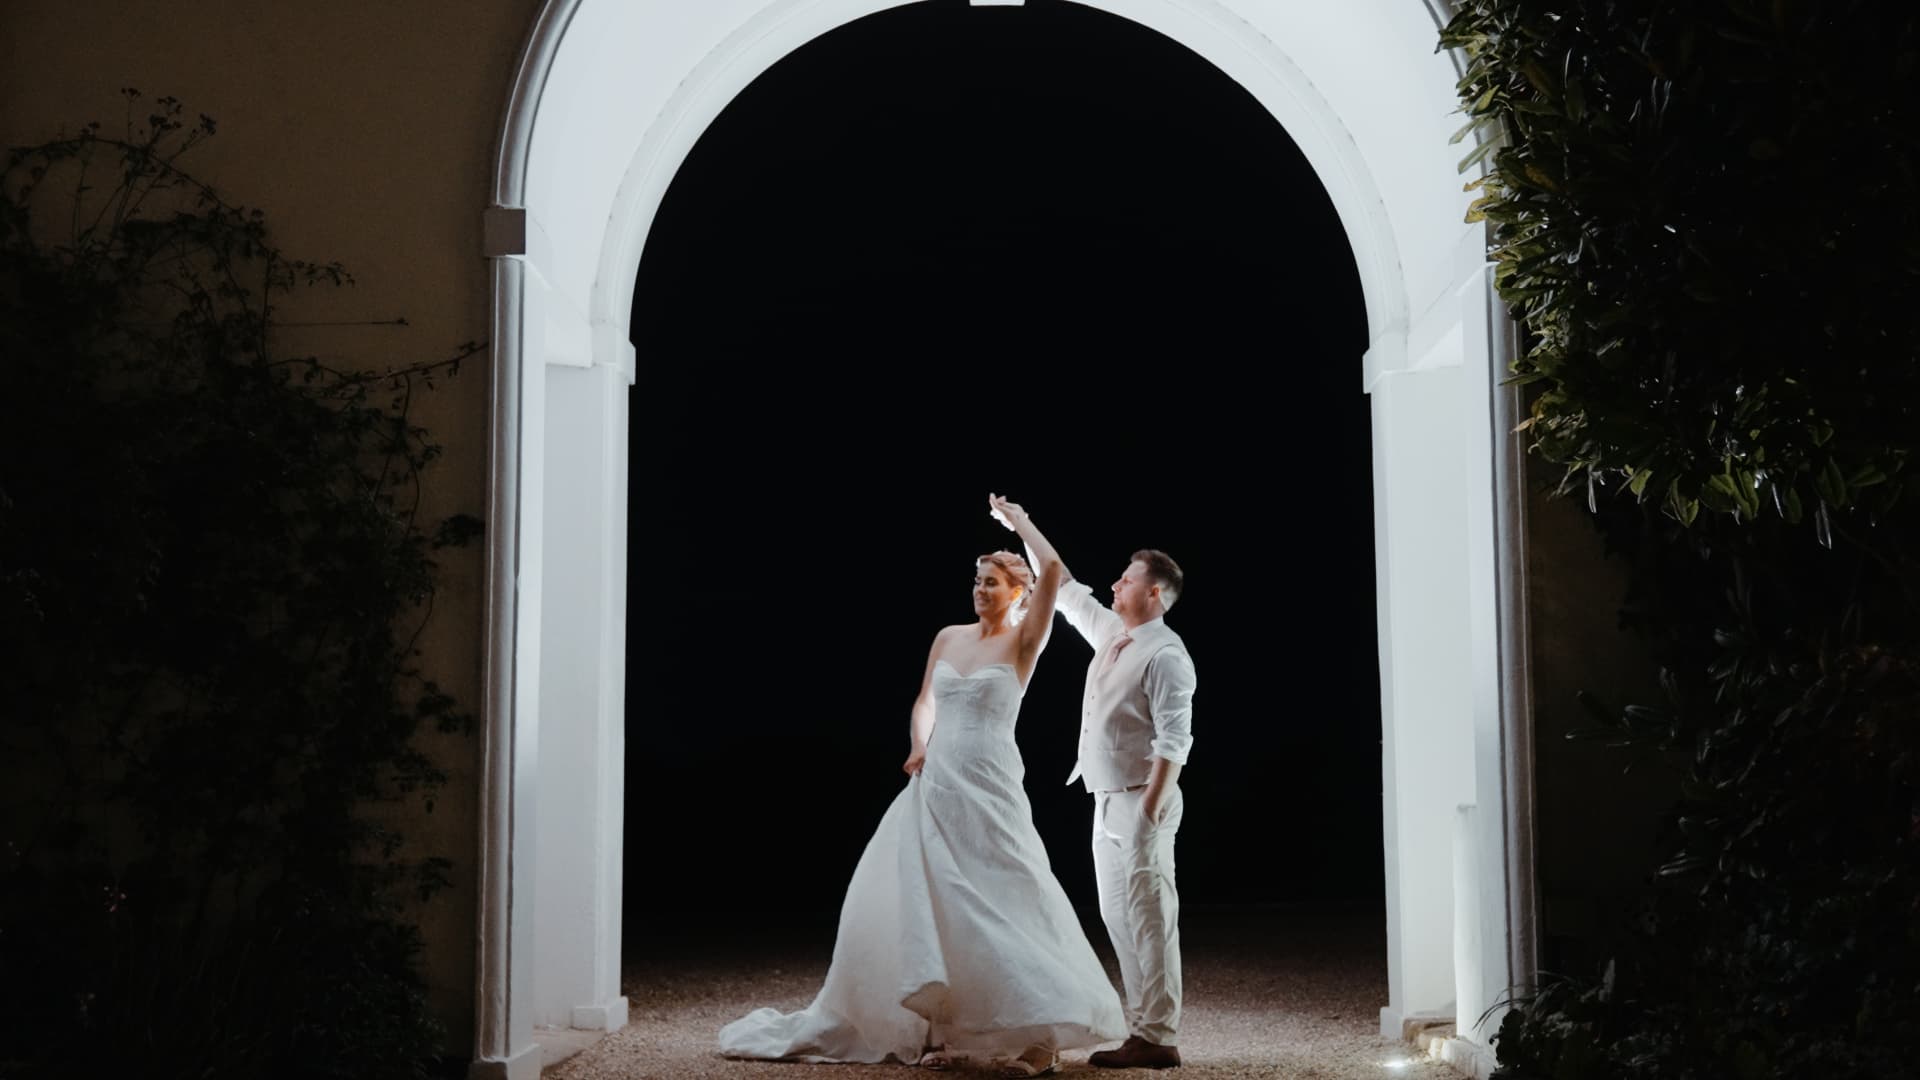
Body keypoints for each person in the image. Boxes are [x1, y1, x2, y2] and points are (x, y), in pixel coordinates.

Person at [718, 494, 1124, 1077]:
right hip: (937, 783)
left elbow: (1055, 572)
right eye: (977, 581)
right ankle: (949, 1023)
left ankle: (1041, 1034)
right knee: (935, 899)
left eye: (991, 583)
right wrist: (918, 745)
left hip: (990, 779)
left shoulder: (1022, 643)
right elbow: (925, 702)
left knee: (1008, 891)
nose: (980, 590)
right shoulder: (947, 637)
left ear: (1016, 593)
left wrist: (1019, 522)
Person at [997, 500, 1193, 1071]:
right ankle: (1145, 1029)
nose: (1116, 583)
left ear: (1153, 593)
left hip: (1141, 799)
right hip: (1106, 799)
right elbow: (1063, 584)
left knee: (1150, 915)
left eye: (1128, 579)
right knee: (1117, 915)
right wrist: (1023, 525)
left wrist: (1151, 807)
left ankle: (1159, 1035)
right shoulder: (1112, 632)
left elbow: (1174, 740)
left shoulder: (1168, 654)